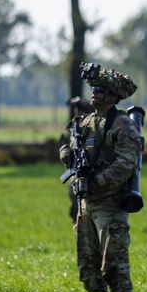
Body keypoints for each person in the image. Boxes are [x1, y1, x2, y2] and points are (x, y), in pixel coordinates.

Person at [58, 66, 142, 292]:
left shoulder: (122, 124)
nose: (94, 93)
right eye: (93, 89)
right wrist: (66, 154)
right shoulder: (84, 122)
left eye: (100, 89)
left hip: (110, 202)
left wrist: (98, 181)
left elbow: (126, 163)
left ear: (114, 96)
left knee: (113, 261)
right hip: (86, 202)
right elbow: (71, 149)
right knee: (87, 260)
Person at [65, 96, 94, 224]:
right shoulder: (76, 126)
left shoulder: (92, 127)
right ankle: (77, 220)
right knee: (74, 194)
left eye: (80, 110)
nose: (77, 113)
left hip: (88, 168)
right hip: (76, 168)